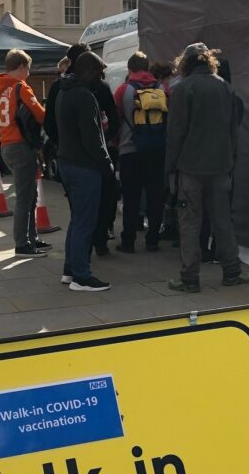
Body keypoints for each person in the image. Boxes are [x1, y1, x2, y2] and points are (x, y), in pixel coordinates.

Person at [165, 43, 249, 292]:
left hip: (190, 167)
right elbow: (231, 131)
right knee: (222, 220)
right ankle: (232, 271)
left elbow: (175, 135)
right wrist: (230, 161)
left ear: (187, 63)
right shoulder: (225, 87)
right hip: (220, 166)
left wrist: (169, 169)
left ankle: (189, 278)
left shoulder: (183, 89)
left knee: (190, 222)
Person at [45, 42, 121, 257]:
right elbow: (111, 122)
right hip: (90, 159)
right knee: (98, 206)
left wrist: (63, 143)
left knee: (78, 213)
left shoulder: (59, 88)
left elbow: (49, 124)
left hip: (68, 157)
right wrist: (103, 147)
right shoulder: (94, 90)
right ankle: (91, 251)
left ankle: (78, 259)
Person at [56, 52, 114, 292]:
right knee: (85, 222)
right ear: (89, 71)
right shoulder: (84, 96)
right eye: (100, 73)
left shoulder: (63, 91)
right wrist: (107, 164)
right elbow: (92, 139)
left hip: (68, 162)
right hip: (84, 166)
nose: (101, 78)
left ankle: (71, 270)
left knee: (77, 220)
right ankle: (81, 275)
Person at [0, 48, 47, 257]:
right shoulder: (21, 88)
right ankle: (22, 244)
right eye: (28, 69)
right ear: (22, 67)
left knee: (30, 196)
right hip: (22, 146)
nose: (29, 74)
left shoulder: (1, 90)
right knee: (25, 198)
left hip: (7, 145)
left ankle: (31, 239)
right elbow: (41, 116)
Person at [113, 51, 167, 253]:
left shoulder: (123, 90)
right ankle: (153, 239)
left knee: (131, 197)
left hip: (130, 151)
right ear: (148, 68)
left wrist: (118, 143)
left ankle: (128, 241)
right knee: (155, 196)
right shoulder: (161, 88)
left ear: (130, 69)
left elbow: (115, 120)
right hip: (156, 150)